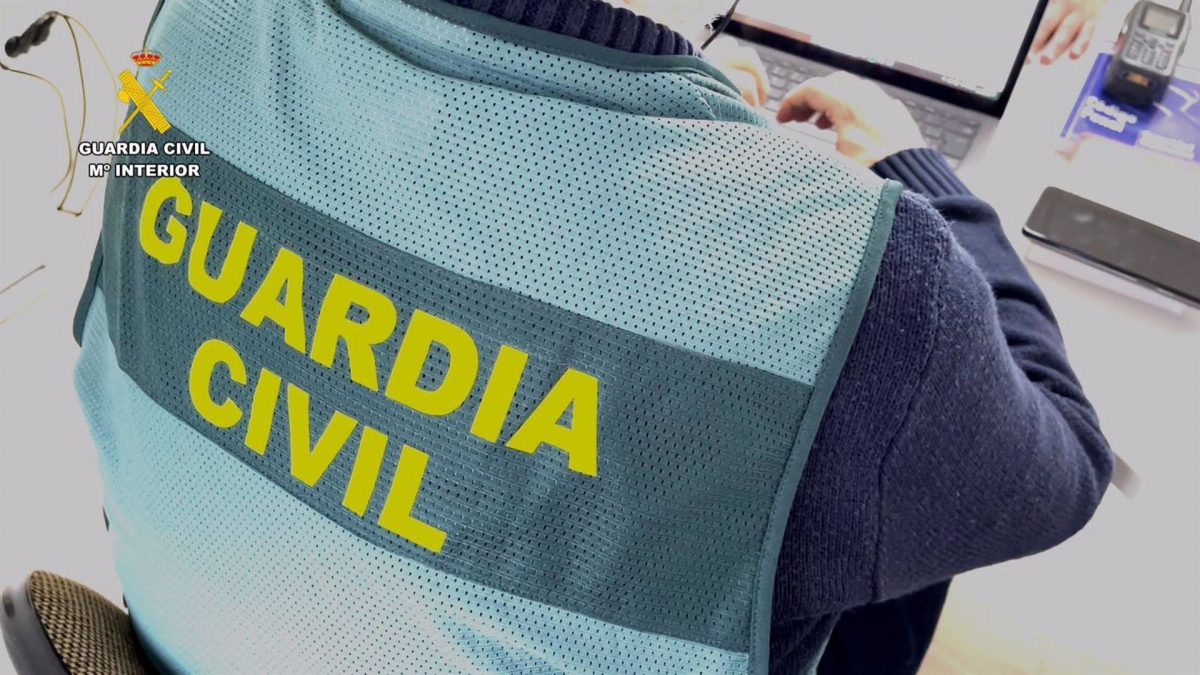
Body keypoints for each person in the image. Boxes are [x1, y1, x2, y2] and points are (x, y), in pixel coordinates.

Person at [17, 1, 1111, 674]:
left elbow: (132, 189)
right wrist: (915, 171)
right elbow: (1062, 462)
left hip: (203, 627)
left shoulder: (188, 27)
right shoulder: (868, 273)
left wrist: (674, 107)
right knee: (884, 446)